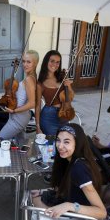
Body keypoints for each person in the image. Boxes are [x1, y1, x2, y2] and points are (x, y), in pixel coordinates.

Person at [32, 123, 107, 220]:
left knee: (34, 200)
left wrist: (69, 206)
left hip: (77, 214)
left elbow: (102, 213)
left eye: (66, 142)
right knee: (35, 195)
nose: (60, 146)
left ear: (77, 143)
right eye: (58, 140)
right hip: (70, 200)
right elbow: (68, 187)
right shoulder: (72, 160)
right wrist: (42, 191)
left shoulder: (79, 168)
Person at [35, 50, 74, 184]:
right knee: (51, 146)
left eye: (58, 62)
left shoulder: (62, 78)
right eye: (52, 61)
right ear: (46, 62)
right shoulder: (40, 82)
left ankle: (62, 171)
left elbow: (70, 98)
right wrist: (38, 126)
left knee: (65, 144)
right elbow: (37, 106)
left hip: (64, 114)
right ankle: (50, 171)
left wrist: (68, 86)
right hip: (49, 116)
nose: (55, 64)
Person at [0, 50, 38, 142]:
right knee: (20, 143)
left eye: (28, 62)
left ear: (35, 63)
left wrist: (14, 110)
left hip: (18, 118)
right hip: (20, 116)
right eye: (23, 61)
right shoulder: (31, 77)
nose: (25, 64)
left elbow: (32, 103)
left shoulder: (29, 79)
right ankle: (22, 156)